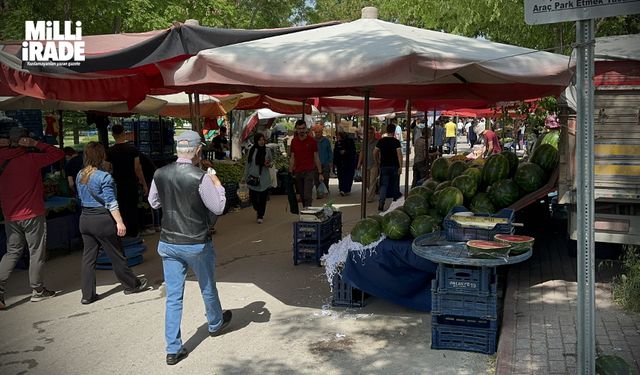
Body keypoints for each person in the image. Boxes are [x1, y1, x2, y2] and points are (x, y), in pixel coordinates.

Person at [148, 130, 232, 366]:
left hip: (168, 241)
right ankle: (215, 324)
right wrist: (218, 185)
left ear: (178, 150)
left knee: (174, 297)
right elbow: (217, 208)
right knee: (207, 285)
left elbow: (153, 202)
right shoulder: (201, 177)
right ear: (197, 150)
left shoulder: (159, 173)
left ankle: (173, 349)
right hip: (195, 241)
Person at [0, 122, 64, 310]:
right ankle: (38, 291)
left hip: (10, 216)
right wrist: (36, 144)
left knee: (12, 252)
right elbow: (58, 153)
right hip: (32, 214)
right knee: (36, 252)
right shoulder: (32, 159)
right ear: (24, 141)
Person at [76, 142, 148, 305]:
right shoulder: (104, 177)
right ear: (103, 156)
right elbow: (111, 202)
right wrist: (120, 222)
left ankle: (87, 295)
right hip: (102, 219)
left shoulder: (80, 174)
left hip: (85, 218)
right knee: (117, 255)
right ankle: (132, 285)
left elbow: (79, 197)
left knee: (88, 258)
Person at [106, 124, 148, 238]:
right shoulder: (132, 149)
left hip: (117, 185)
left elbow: (106, 169)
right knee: (132, 209)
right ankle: (133, 234)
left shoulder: (110, 151)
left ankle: (122, 234)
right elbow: (137, 168)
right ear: (124, 133)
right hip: (131, 183)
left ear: (113, 135)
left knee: (120, 209)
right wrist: (144, 184)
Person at [289, 120, 323, 208]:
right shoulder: (294, 141)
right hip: (298, 171)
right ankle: (306, 208)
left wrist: (320, 173)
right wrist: (290, 171)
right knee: (302, 194)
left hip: (309, 171)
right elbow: (292, 157)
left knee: (307, 194)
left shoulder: (312, 141)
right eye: (299, 129)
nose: (301, 130)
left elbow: (316, 157)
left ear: (306, 128)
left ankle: (308, 209)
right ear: (296, 129)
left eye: (303, 128)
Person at [244, 133, 273, 224]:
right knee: (253, 197)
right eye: (259, 140)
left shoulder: (267, 151)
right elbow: (248, 164)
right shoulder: (251, 150)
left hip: (264, 177)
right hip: (253, 177)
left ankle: (260, 215)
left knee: (262, 198)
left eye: (263, 140)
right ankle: (257, 209)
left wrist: (268, 164)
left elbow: (271, 161)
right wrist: (245, 176)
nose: (261, 142)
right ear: (256, 140)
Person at [374, 123, 403, 212]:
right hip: (394, 166)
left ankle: (381, 203)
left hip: (384, 166)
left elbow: (374, 152)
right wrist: (401, 166)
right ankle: (395, 203)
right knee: (395, 184)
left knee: (383, 185)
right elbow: (399, 154)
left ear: (386, 130)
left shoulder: (381, 141)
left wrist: (377, 161)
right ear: (394, 131)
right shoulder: (396, 142)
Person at [357, 126, 379, 203]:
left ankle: (370, 197)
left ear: (374, 133)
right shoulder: (364, 142)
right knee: (366, 182)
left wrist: (378, 162)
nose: (370, 134)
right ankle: (371, 192)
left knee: (372, 181)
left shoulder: (377, 142)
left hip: (374, 164)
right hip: (365, 164)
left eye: (371, 133)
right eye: (368, 133)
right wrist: (359, 163)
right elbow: (362, 152)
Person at [333, 131, 357, 196]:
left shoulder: (349, 142)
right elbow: (335, 153)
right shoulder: (337, 143)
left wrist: (345, 152)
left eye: (338, 136)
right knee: (341, 176)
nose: (337, 137)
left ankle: (346, 189)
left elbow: (353, 151)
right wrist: (334, 163)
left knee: (348, 176)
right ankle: (342, 189)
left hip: (349, 162)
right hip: (340, 163)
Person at [313, 125, 332, 198]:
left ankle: (326, 190)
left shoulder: (326, 141)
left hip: (325, 162)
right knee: (316, 179)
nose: (317, 133)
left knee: (326, 178)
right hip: (315, 164)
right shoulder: (313, 141)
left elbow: (329, 151)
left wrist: (330, 161)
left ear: (322, 132)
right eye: (316, 132)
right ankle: (319, 193)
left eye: (319, 132)